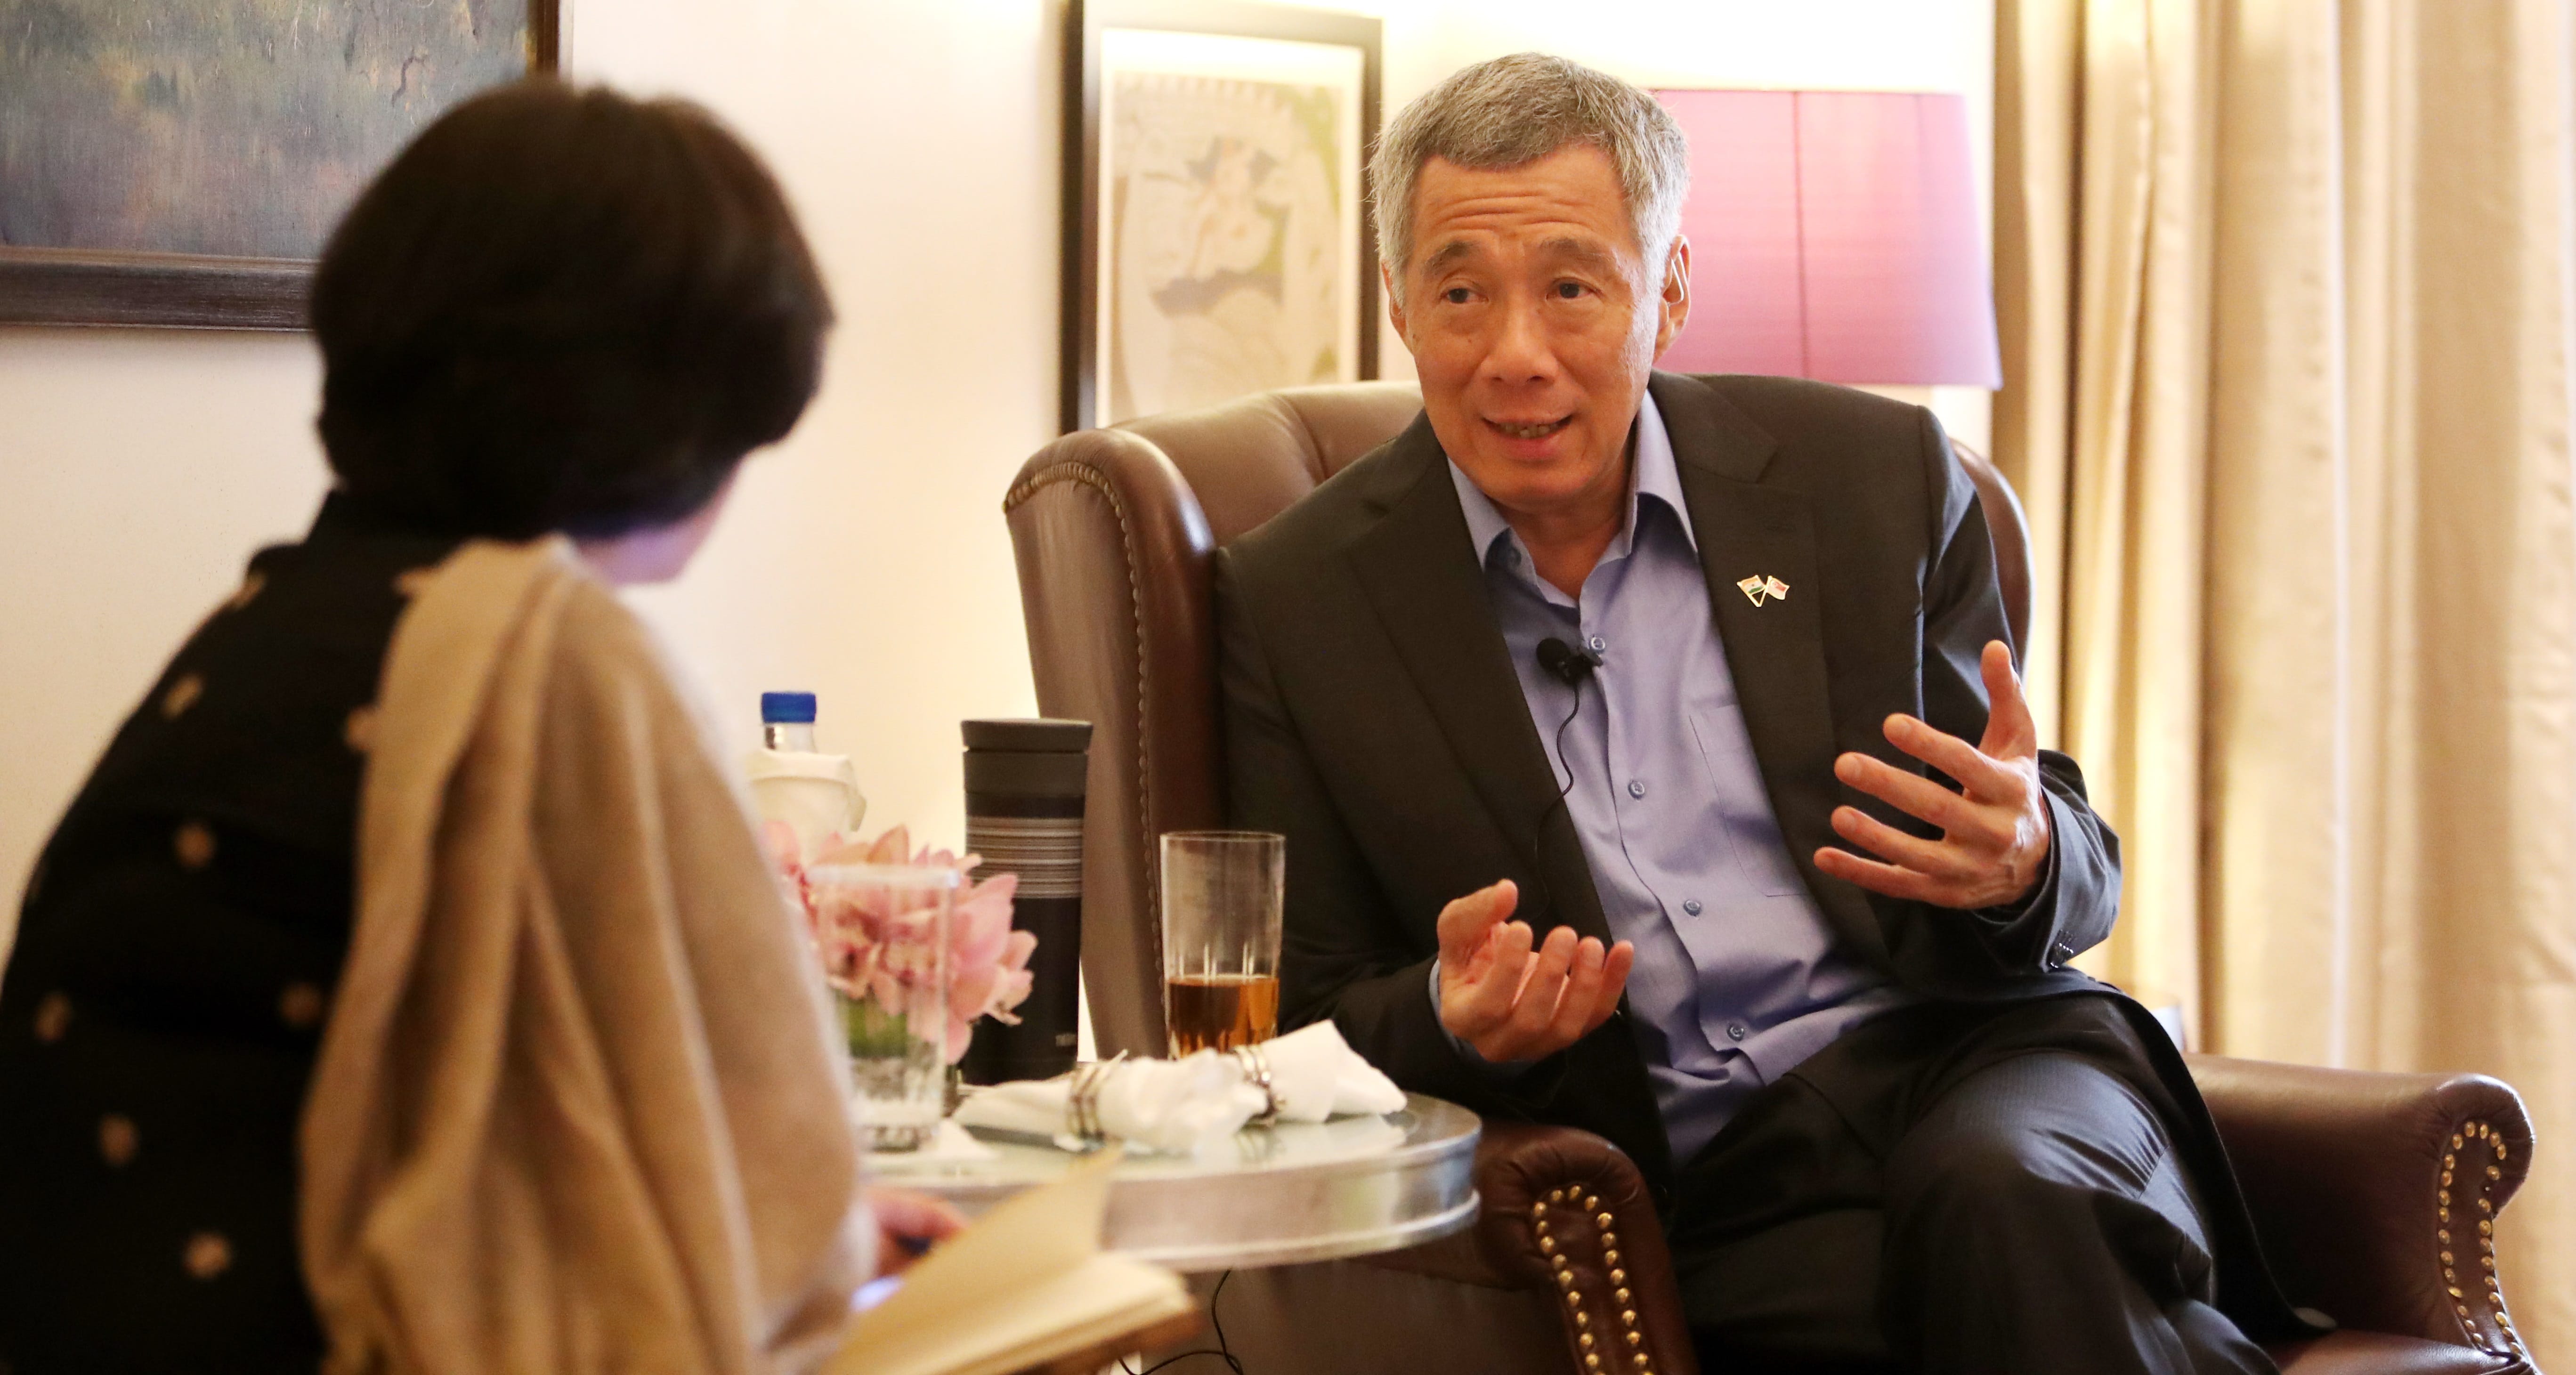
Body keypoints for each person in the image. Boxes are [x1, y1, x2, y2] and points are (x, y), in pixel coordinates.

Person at [1216, 54, 2311, 1373]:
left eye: (1573, 287)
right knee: (1960, 1295)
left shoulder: (1870, 478)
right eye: (1461, 292)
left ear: (1667, 292)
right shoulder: (1301, 602)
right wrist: (1455, 1019)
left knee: (1999, 1199)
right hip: (1713, 1177)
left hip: (1981, 1058)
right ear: (1398, 305)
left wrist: (2027, 856)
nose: (1516, 357)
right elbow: (1292, 1026)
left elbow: (2071, 880)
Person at [0, 81, 955, 1374]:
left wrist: (823, 1236)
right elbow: (757, 1176)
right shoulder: (553, 655)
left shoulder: (273, 623)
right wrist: (833, 1251)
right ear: (667, 411)